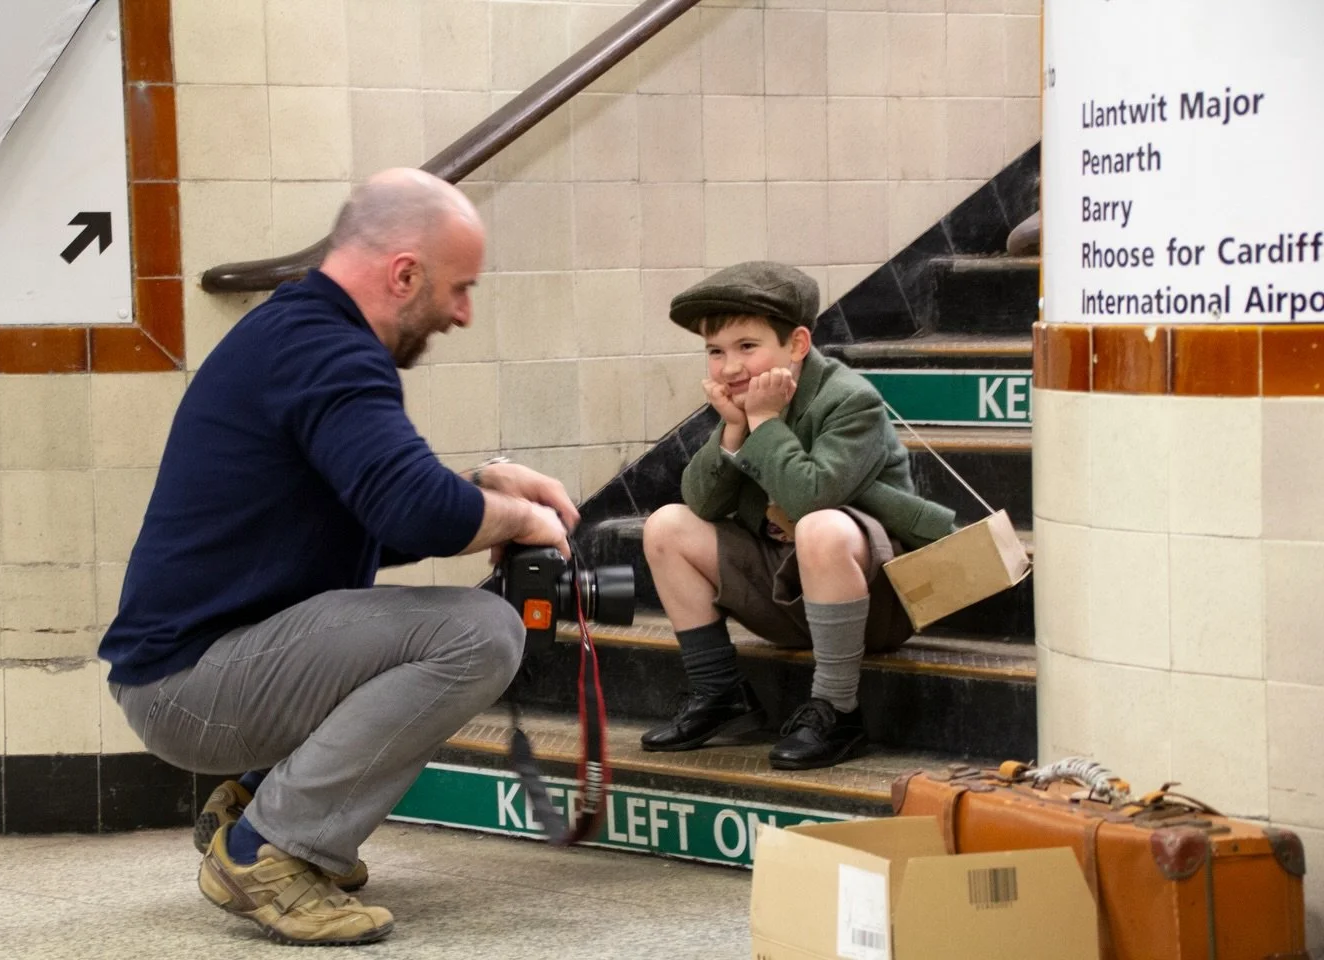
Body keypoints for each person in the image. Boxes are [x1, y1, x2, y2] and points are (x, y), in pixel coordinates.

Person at [99, 168, 579, 947]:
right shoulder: (326, 350)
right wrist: (516, 514)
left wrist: (486, 489)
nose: (462, 313)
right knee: (479, 633)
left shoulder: (300, 336)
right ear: (403, 273)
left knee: (452, 626)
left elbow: (374, 519)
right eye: (459, 289)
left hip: (201, 670)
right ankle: (269, 848)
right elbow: (416, 509)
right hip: (189, 684)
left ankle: (259, 803)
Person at [638, 262, 956, 770]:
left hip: (875, 605)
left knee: (820, 527)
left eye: (747, 346)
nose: (729, 367)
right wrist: (734, 432)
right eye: (715, 352)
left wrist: (763, 422)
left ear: (798, 344)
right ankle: (720, 694)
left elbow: (811, 498)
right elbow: (701, 503)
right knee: (666, 526)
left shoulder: (851, 401)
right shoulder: (744, 404)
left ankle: (837, 710)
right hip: (786, 596)